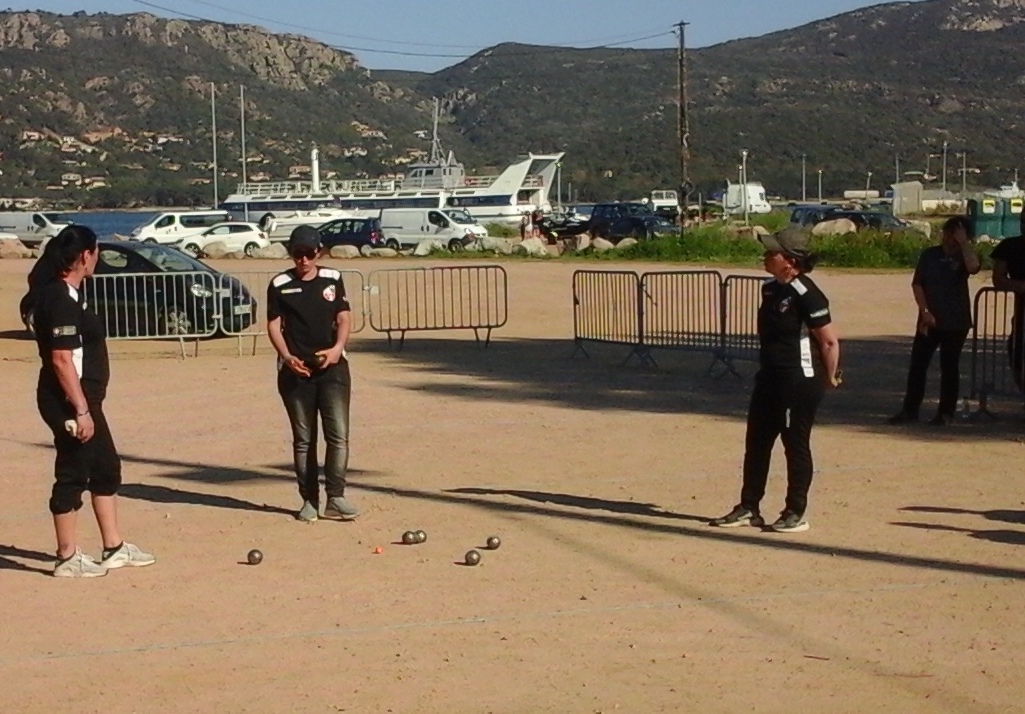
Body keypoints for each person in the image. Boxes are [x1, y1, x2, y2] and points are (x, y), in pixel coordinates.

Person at [32, 225, 155, 577]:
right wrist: (81, 410)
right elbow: (61, 359)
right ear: (86, 255)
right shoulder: (58, 297)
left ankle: (113, 547)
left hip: (87, 399)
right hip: (69, 400)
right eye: (96, 252)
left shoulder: (73, 294)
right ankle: (67, 557)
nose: (98, 258)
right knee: (73, 471)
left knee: (105, 468)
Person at [710, 227, 841, 533]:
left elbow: (829, 341)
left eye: (773, 252)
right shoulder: (770, 289)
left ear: (791, 261)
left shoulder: (807, 293)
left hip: (798, 380)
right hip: (769, 377)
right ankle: (749, 507)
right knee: (756, 443)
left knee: (795, 445)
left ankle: (795, 511)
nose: (766, 256)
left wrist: (831, 376)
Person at [267, 225, 358, 522]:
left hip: (333, 368)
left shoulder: (332, 278)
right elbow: (273, 324)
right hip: (296, 371)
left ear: (319, 252)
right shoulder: (279, 284)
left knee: (338, 435)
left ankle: (336, 497)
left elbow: (343, 317)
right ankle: (309, 500)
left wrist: (337, 348)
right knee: (304, 439)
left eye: (309, 253)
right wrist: (286, 356)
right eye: (297, 254)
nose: (303, 260)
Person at [888, 216, 980, 425]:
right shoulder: (930, 255)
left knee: (949, 367)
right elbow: (918, 284)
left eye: (956, 234)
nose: (950, 238)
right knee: (918, 365)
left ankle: (946, 413)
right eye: (949, 232)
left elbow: (974, 267)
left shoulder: (965, 255)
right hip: (929, 320)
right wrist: (925, 311)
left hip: (956, 321)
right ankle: (910, 410)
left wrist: (964, 244)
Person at [991, 210, 1025, 391]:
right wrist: (1018, 285)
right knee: (1017, 355)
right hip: (1022, 314)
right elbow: (998, 278)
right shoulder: (1010, 246)